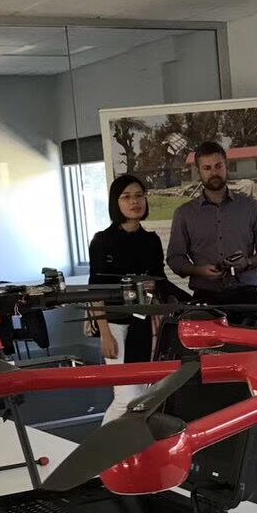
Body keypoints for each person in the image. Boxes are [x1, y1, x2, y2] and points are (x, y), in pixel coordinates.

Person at [86, 174, 181, 422]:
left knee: (143, 394)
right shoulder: (102, 241)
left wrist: (183, 300)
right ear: (115, 202)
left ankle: (134, 442)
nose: (134, 202)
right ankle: (104, 444)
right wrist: (104, 333)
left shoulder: (151, 241)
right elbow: (96, 290)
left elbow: (160, 280)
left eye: (139, 196)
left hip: (144, 323)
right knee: (126, 396)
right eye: (126, 197)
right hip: (114, 325)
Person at [166, 141, 257, 322]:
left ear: (226, 166)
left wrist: (247, 262)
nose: (213, 172)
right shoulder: (184, 214)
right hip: (205, 298)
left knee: (249, 341)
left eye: (218, 166)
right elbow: (174, 258)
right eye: (207, 168)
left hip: (245, 298)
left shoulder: (251, 207)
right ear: (199, 172)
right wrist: (199, 270)